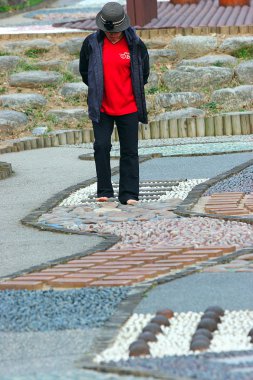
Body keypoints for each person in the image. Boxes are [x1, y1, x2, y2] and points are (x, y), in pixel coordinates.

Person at [79, 1, 149, 205]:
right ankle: (105, 191)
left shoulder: (135, 44)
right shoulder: (91, 44)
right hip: (102, 107)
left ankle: (129, 194)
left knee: (130, 151)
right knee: (101, 146)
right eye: (109, 31)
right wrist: (98, 88)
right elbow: (85, 72)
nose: (113, 34)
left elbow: (143, 73)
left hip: (128, 107)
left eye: (117, 31)